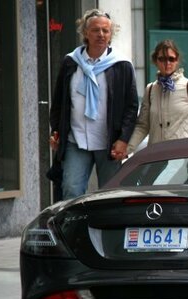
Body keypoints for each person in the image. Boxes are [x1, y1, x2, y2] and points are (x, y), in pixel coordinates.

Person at [49, 9, 138, 200]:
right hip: (76, 139)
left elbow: (131, 107)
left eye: (106, 31)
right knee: (71, 190)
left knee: (110, 196)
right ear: (85, 33)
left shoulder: (121, 65)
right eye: (96, 30)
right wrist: (56, 130)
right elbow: (59, 101)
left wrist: (123, 139)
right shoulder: (71, 62)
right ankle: (75, 229)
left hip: (109, 143)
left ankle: (105, 229)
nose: (101, 35)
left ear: (111, 34)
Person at [126, 39, 188, 154]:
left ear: (177, 60)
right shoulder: (150, 89)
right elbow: (142, 126)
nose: (167, 63)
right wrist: (126, 150)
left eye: (171, 59)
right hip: (156, 156)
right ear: (155, 60)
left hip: (183, 156)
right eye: (162, 59)